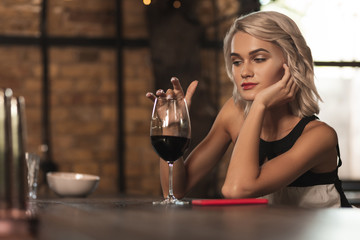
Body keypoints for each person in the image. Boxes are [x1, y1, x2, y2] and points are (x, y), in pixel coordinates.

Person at [146, 11, 351, 208]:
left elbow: (237, 189)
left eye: (259, 59)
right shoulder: (233, 114)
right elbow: (175, 190)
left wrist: (260, 104)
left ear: (291, 62)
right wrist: (171, 127)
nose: (244, 72)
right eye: (236, 62)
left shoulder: (320, 136)